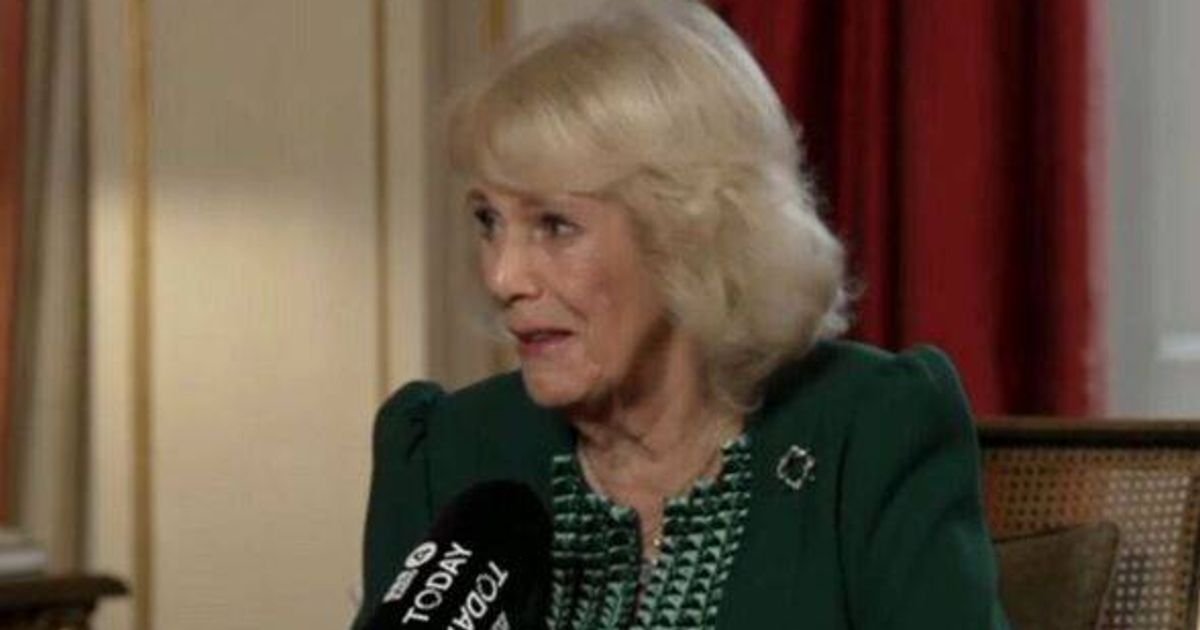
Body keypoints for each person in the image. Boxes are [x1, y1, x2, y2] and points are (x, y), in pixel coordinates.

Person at [352, 1, 1009, 628]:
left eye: (554, 225)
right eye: (488, 221)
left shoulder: (868, 433)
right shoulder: (447, 454)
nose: (503, 276)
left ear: (688, 234)